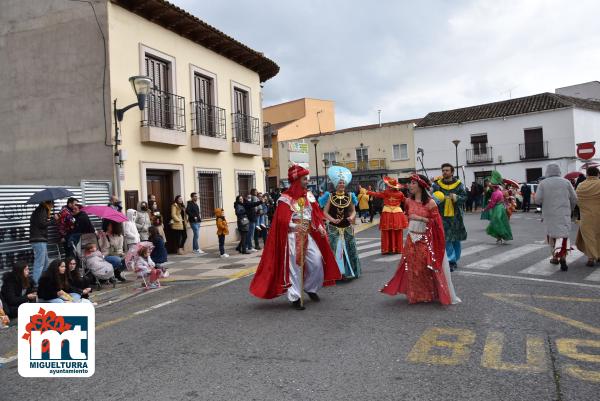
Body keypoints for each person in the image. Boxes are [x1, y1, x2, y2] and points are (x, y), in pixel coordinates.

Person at [249, 164, 342, 310]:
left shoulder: (308, 196)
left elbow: (314, 215)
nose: (307, 181)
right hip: (292, 238)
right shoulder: (285, 199)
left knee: (317, 261)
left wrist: (319, 227)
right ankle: (295, 297)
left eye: (307, 179)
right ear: (297, 180)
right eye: (305, 179)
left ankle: (310, 288)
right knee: (295, 268)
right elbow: (280, 221)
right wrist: (294, 226)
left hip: (307, 235)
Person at [381, 174, 461, 305]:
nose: (409, 185)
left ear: (421, 186)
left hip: (425, 239)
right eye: (410, 183)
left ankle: (428, 293)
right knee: (412, 267)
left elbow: (437, 223)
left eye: (413, 183)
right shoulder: (408, 201)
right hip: (411, 238)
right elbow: (408, 215)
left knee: (425, 267)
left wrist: (420, 218)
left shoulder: (430, 203)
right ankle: (415, 294)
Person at [536, 163, 577, 271]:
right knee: (563, 235)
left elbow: (538, 200)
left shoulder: (543, 183)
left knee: (552, 235)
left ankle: (555, 257)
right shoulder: (566, 182)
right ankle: (563, 257)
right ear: (559, 171)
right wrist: (571, 209)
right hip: (564, 213)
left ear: (547, 172)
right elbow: (574, 198)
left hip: (549, 214)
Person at [323, 166, 361, 279]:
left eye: (343, 183)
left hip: (347, 227)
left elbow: (353, 211)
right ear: (336, 184)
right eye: (340, 183)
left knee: (351, 249)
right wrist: (332, 220)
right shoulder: (330, 196)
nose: (342, 184)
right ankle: (334, 274)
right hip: (333, 228)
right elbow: (325, 212)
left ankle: (351, 271)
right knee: (334, 250)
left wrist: (351, 217)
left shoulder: (350, 196)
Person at [432, 163, 468, 271]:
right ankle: (450, 261)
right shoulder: (436, 185)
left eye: (447, 170)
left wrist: (456, 197)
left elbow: (465, 197)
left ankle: (455, 258)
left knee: (455, 238)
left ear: (452, 172)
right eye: (443, 170)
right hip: (442, 215)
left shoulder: (458, 185)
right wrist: (436, 198)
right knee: (446, 238)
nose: (444, 172)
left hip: (456, 215)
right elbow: (432, 198)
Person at [367, 177, 408, 254]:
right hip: (397, 213)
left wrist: (369, 192)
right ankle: (397, 249)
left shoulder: (386, 192)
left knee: (386, 231)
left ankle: (387, 249)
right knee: (398, 231)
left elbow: (378, 194)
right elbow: (405, 201)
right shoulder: (400, 194)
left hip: (387, 213)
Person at [576, 166, 600, 267]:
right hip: (598, 214)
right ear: (597, 174)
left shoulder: (581, 185)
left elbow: (577, 200)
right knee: (598, 236)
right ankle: (598, 255)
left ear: (587, 174)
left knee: (589, 237)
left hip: (585, 216)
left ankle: (591, 258)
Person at [484, 172, 513, 244]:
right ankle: (501, 237)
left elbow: (492, 203)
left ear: (493, 187)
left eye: (491, 186)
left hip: (497, 208)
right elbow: (499, 200)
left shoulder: (495, 193)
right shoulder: (500, 192)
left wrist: (485, 209)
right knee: (502, 222)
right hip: (501, 208)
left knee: (496, 223)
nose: (490, 186)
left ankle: (501, 237)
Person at [29, 200, 54, 284]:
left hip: (39, 239)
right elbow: (42, 224)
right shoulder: (42, 210)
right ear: (49, 203)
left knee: (46, 263)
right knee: (39, 263)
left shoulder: (40, 210)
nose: (52, 207)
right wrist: (54, 220)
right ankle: (35, 285)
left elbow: (41, 222)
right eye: (52, 204)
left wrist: (51, 219)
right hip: (39, 239)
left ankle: (45, 282)